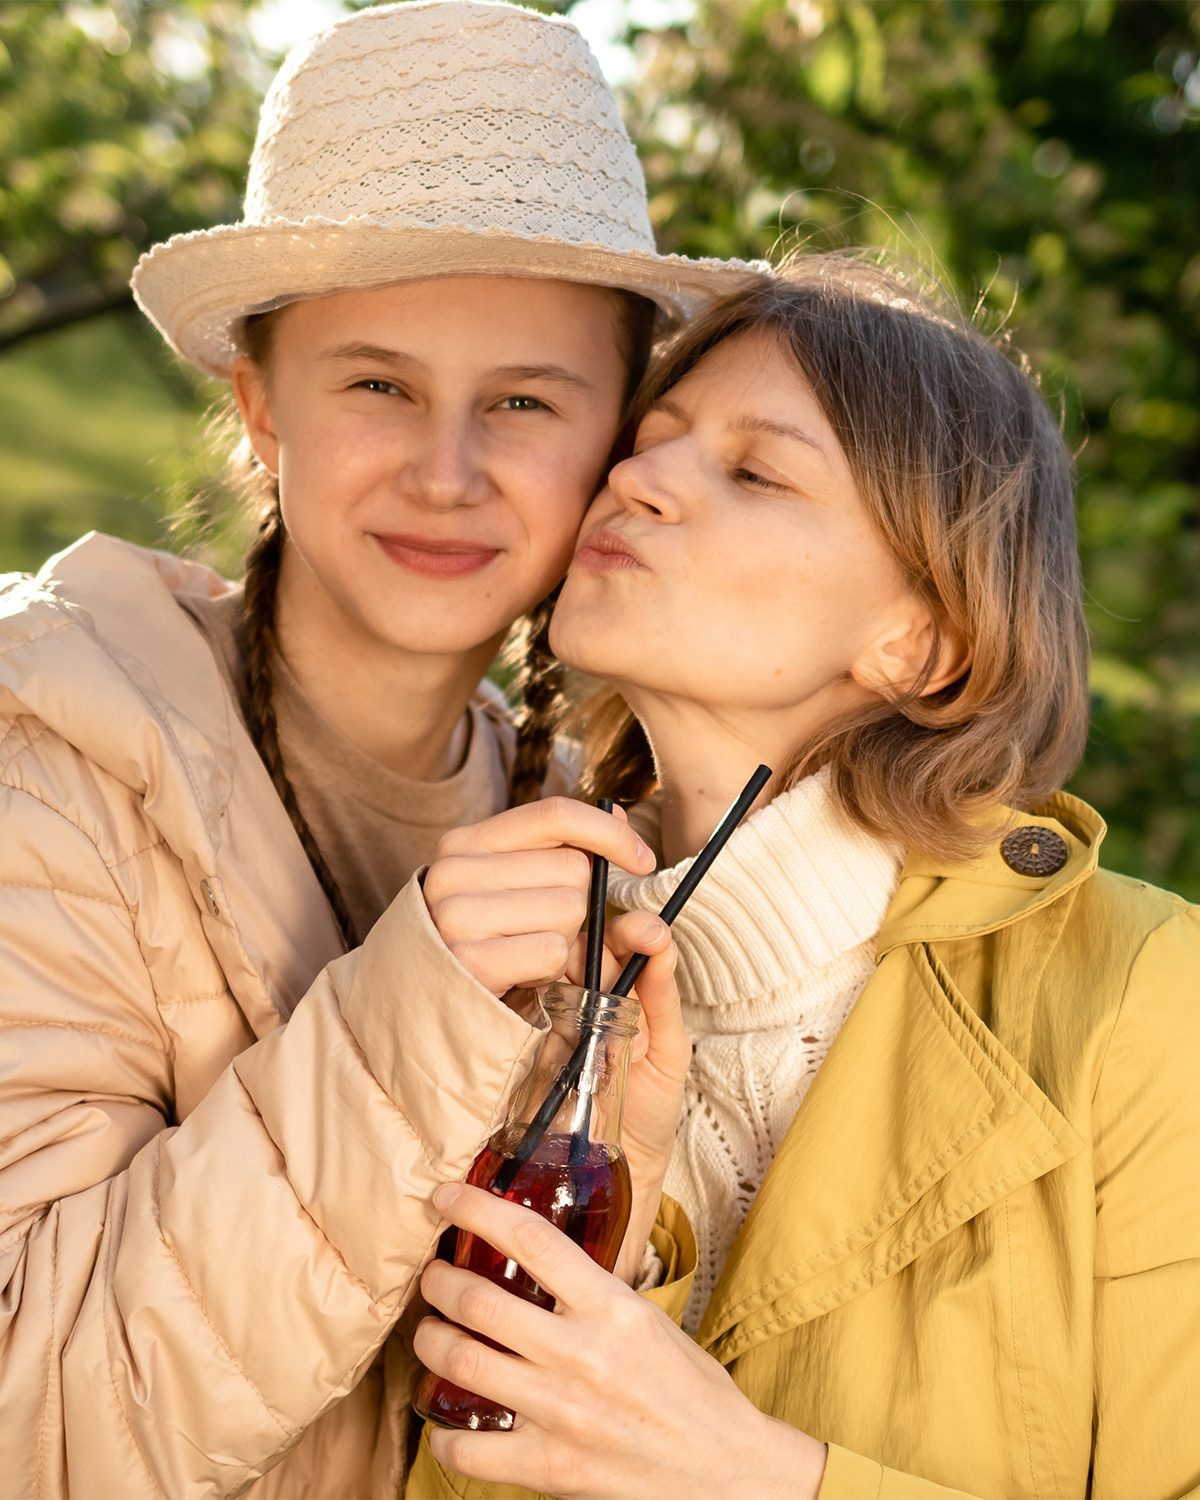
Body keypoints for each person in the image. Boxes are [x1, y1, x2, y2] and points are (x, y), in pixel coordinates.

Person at [0, 3, 758, 1495]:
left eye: (524, 401)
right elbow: (35, 1420)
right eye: (377, 385)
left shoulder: (595, 849)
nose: (447, 471)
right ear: (260, 408)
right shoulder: (45, 767)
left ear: (614, 442)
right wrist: (421, 1002)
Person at [407, 255, 1200, 1500]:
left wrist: (759, 1478)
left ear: (921, 643)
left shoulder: (1147, 997)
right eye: (650, 441)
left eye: (755, 472)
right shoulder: (512, 983)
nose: (635, 478)